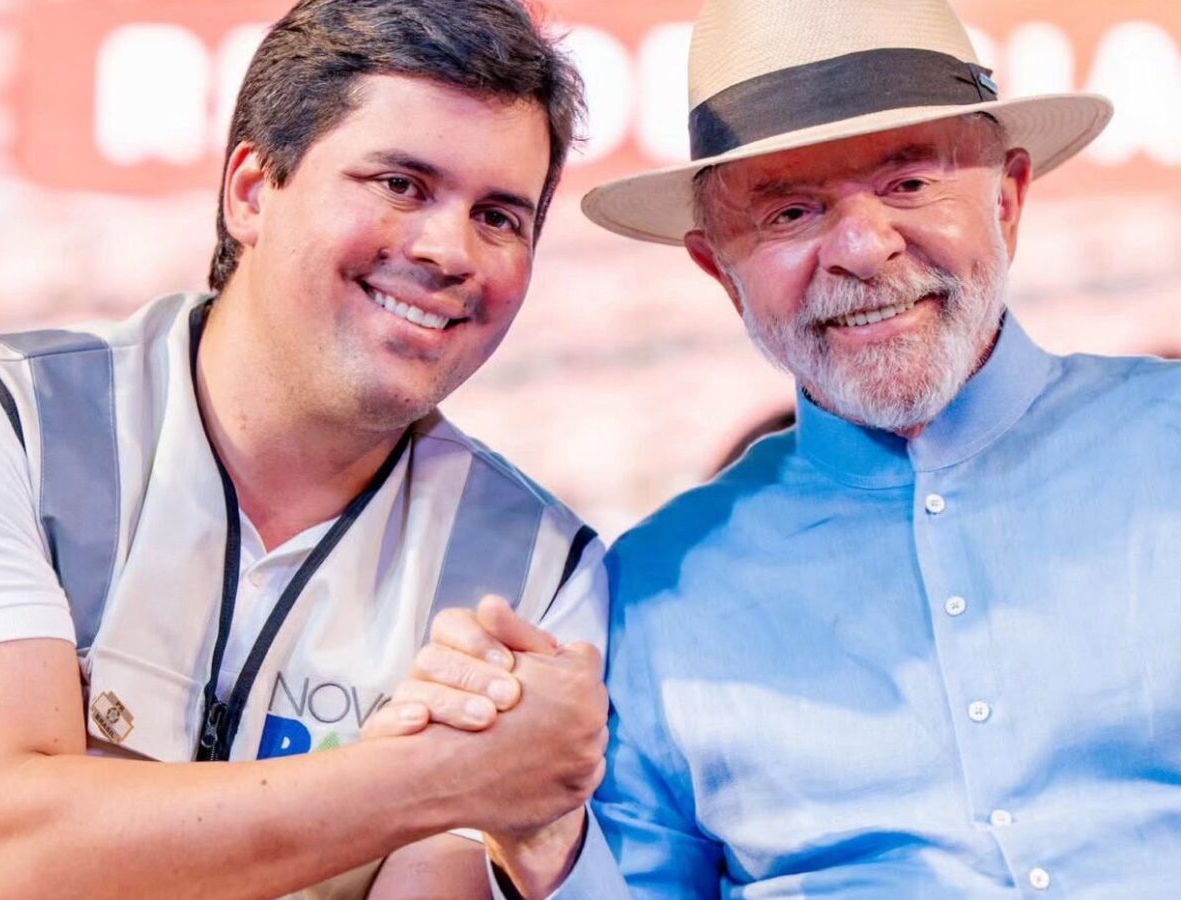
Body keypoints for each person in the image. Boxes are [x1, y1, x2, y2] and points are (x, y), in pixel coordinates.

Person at [392, 0, 1181, 895]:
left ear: (1008, 199)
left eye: (908, 184)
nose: (863, 249)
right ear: (719, 270)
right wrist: (542, 844)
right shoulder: (652, 590)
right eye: (791, 212)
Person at [0, 0, 610, 897]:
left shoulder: (538, 571)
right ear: (250, 191)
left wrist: (527, 825)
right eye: (400, 184)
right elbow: (5, 846)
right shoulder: (14, 421)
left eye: (500, 217)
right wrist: (434, 778)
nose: (449, 250)